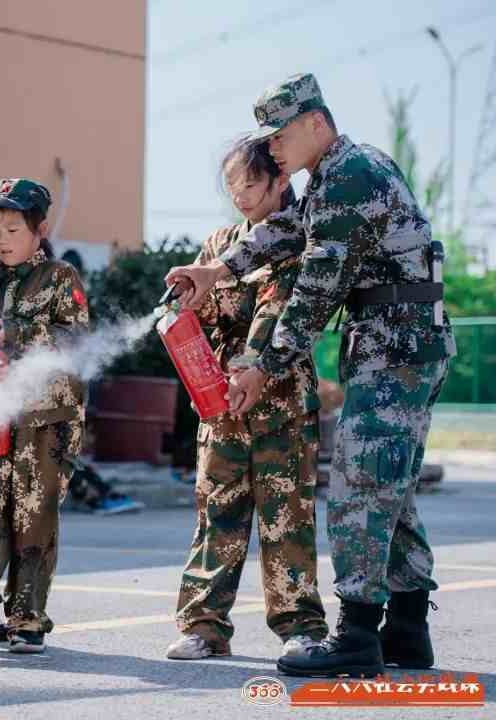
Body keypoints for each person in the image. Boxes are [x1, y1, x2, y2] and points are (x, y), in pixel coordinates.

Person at [166, 74, 456, 677]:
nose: (271, 148)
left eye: (280, 135)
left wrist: (261, 363)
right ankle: (407, 627)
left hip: (397, 348)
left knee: (359, 484)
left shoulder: (352, 175)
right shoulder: (332, 177)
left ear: (317, 123)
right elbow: (290, 231)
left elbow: (317, 288)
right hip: (394, 344)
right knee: (391, 489)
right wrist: (217, 270)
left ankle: (356, 634)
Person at [165, 137, 328, 663]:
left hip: (281, 403)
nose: (241, 198)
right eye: (233, 187)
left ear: (282, 181)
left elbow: (280, 314)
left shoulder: (302, 240)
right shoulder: (218, 245)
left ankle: (299, 627)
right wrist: (187, 308)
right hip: (222, 410)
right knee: (216, 515)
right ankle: (203, 626)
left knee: (287, 519)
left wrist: (251, 364)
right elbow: (202, 314)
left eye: (251, 186)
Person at [0, 178, 90, 654]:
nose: (2, 239)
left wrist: (19, 332)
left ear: (39, 229)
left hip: (46, 422)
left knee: (33, 519)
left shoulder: (60, 278)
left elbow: (73, 341)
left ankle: (26, 619)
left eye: (12, 228)